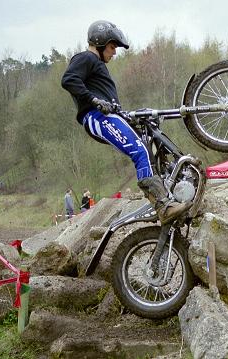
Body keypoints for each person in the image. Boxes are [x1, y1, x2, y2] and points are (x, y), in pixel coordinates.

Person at [61, 20, 190, 224]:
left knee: (148, 147)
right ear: (100, 43)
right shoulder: (85, 57)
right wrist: (94, 100)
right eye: (112, 47)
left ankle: (169, 191)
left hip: (109, 116)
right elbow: (68, 79)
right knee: (139, 151)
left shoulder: (97, 65)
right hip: (97, 117)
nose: (114, 52)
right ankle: (162, 206)